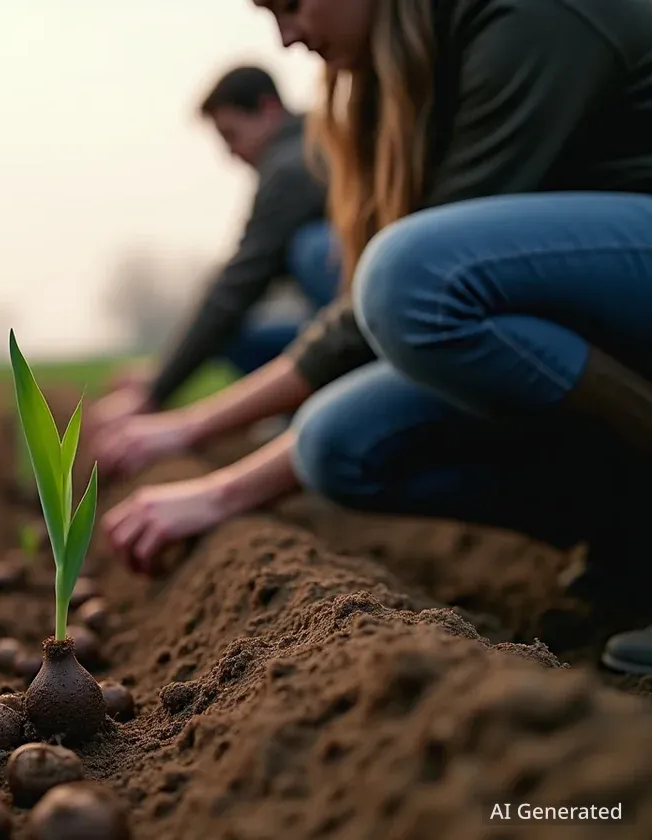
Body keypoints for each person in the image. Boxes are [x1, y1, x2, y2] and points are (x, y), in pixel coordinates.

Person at [100, 0, 652, 674]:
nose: (288, 36)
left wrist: (211, 467)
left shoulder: (529, 15)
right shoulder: (408, 72)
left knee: (406, 275)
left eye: (292, 4)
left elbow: (399, 291)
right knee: (336, 443)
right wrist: (205, 451)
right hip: (608, 292)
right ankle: (625, 532)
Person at [90, 64, 335, 446]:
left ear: (268, 110)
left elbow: (235, 288)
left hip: (359, 325)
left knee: (312, 248)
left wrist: (155, 392)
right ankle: (299, 406)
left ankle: (323, 407)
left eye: (231, 135)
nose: (231, 153)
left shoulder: (291, 169)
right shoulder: (305, 149)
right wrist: (161, 372)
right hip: (331, 319)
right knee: (240, 336)